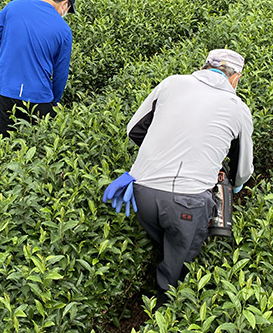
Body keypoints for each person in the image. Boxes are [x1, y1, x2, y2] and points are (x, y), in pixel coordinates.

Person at [102, 49, 254, 305]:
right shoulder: (237, 108)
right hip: (188, 203)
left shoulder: (172, 82)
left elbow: (134, 130)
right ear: (235, 78)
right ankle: (164, 312)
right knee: (177, 265)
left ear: (205, 67)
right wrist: (235, 186)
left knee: (165, 235)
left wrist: (158, 161)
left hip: (143, 194)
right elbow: (242, 170)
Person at [0, 0, 76, 144]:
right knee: (36, 153)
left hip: (3, 90)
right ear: (65, 4)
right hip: (39, 99)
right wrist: (55, 101)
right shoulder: (64, 30)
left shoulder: (14, 6)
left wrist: (10, 53)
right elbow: (60, 74)